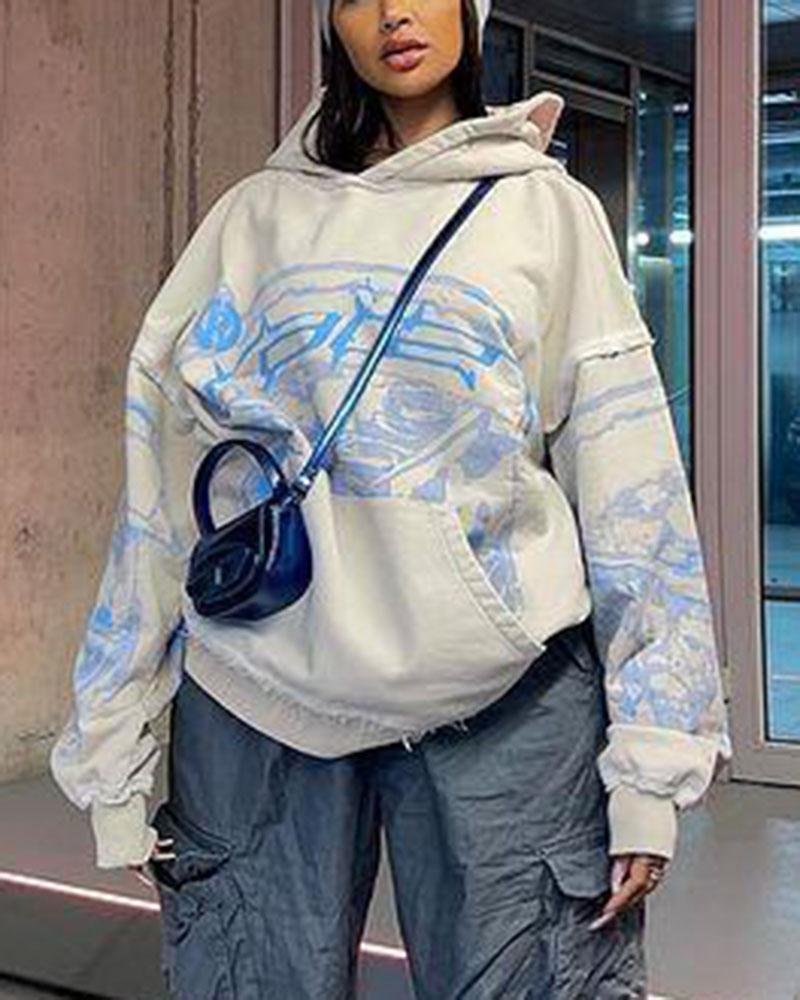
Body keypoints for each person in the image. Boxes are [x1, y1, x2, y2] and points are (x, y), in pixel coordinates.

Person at [49, 0, 733, 996]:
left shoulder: (544, 213)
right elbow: (162, 486)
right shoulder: (252, 220)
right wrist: (112, 746)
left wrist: (652, 763)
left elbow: (633, 492)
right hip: (260, 691)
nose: (394, 13)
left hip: (505, 697)